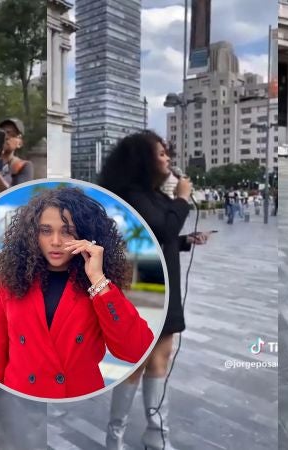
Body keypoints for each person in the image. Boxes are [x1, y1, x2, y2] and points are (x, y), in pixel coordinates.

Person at [0, 187, 154, 399]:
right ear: (32, 234)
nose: (56, 241)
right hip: (20, 399)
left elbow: (136, 349)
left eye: (67, 231)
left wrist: (97, 279)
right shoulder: (9, 280)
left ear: (84, 235)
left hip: (80, 402)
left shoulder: (99, 285)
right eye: (46, 230)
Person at [98, 130, 212, 450]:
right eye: (161, 154)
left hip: (166, 286)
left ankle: (157, 434)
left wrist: (185, 241)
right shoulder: (132, 196)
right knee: (136, 360)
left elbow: (163, 235)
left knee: (162, 355)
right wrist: (182, 198)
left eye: (167, 153)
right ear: (143, 160)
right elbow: (161, 227)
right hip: (142, 290)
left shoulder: (155, 196)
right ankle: (115, 437)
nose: (168, 159)